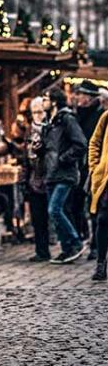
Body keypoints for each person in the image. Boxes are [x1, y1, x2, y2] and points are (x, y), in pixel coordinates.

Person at [39, 88, 87, 263]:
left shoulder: (66, 119)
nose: (43, 102)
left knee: (55, 209)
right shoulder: (49, 122)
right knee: (56, 211)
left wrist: (63, 158)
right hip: (51, 172)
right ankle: (67, 249)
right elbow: (49, 146)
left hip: (65, 172)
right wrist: (39, 149)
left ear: (54, 101)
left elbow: (81, 144)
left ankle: (75, 242)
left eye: (45, 98)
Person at [72, 80, 104, 259]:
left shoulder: (100, 116)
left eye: (83, 96)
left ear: (91, 98)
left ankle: (96, 246)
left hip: (95, 168)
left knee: (95, 209)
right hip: (79, 168)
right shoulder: (77, 115)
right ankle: (80, 241)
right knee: (76, 206)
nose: (79, 99)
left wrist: (95, 166)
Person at [25, 97, 50, 262]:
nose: (37, 116)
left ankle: (69, 245)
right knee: (37, 217)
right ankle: (41, 250)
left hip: (48, 176)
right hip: (33, 178)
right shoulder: (29, 131)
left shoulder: (50, 129)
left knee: (52, 213)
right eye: (34, 112)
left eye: (40, 112)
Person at [88, 106, 108, 281]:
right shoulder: (106, 117)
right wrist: (95, 168)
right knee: (102, 219)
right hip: (106, 179)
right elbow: (94, 142)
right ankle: (101, 263)